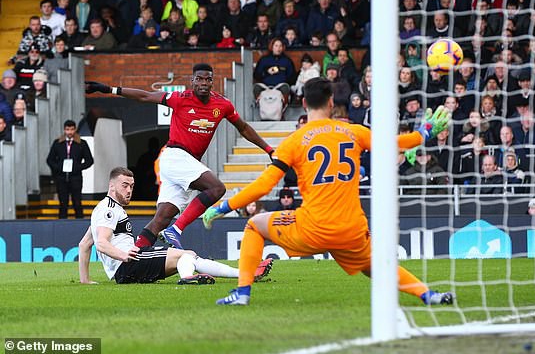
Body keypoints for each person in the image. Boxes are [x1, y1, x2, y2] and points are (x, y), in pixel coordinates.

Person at [202, 77, 454, 306]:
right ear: (331, 101)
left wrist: (224, 206)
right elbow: (394, 144)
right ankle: (427, 294)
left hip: (313, 228)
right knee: (376, 265)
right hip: (351, 230)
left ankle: (242, 293)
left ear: (303, 103)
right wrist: (424, 132)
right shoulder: (353, 132)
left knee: (255, 225)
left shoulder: (294, 141)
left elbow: (264, 186)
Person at [85, 63, 274, 251]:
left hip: (187, 163)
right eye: (199, 79)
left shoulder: (222, 105)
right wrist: (109, 89)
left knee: (161, 219)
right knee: (216, 188)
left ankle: (133, 258)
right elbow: (145, 95)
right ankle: (176, 230)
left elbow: (243, 128)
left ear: (212, 82)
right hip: (175, 156)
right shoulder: (179, 98)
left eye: (208, 79)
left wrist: (269, 149)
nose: (203, 83)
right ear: (192, 81)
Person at [78, 167, 273, 285]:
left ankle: (244, 274)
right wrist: (125, 256)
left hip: (127, 267)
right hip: (128, 264)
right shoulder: (109, 209)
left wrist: (85, 280)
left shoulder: (104, 209)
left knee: (189, 256)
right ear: (112, 186)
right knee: (186, 255)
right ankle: (188, 278)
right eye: (124, 186)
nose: (129, 190)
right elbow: (101, 243)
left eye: (131, 186)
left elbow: (85, 244)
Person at [46, 120, 94, 219]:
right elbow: (50, 160)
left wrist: (77, 167)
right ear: (64, 130)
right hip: (61, 178)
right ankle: (62, 225)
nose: (70, 132)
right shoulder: (58, 143)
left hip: (75, 177)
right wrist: (59, 168)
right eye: (67, 129)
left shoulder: (81, 143)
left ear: (75, 129)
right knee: (63, 204)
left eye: (72, 129)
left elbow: (89, 160)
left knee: (77, 203)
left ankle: (79, 224)